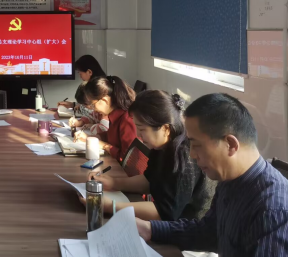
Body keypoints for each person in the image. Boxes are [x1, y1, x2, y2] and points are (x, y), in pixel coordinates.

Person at [137, 93, 288, 257]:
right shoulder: (230, 180)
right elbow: (209, 232)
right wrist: (150, 229)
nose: (192, 154)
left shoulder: (277, 214)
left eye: (197, 145)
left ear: (231, 144)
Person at [83, 90, 215, 221]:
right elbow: (149, 180)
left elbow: (165, 214)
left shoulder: (185, 157)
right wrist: (114, 183)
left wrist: (110, 206)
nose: (138, 135)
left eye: (142, 129)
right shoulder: (160, 146)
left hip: (186, 227)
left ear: (165, 129)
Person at [73, 75, 137, 162]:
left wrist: (104, 146)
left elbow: (128, 159)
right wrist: (91, 138)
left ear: (104, 101)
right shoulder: (114, 115)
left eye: (93, 104)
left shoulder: (127, 119)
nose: (94, 109)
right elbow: (112, 136)